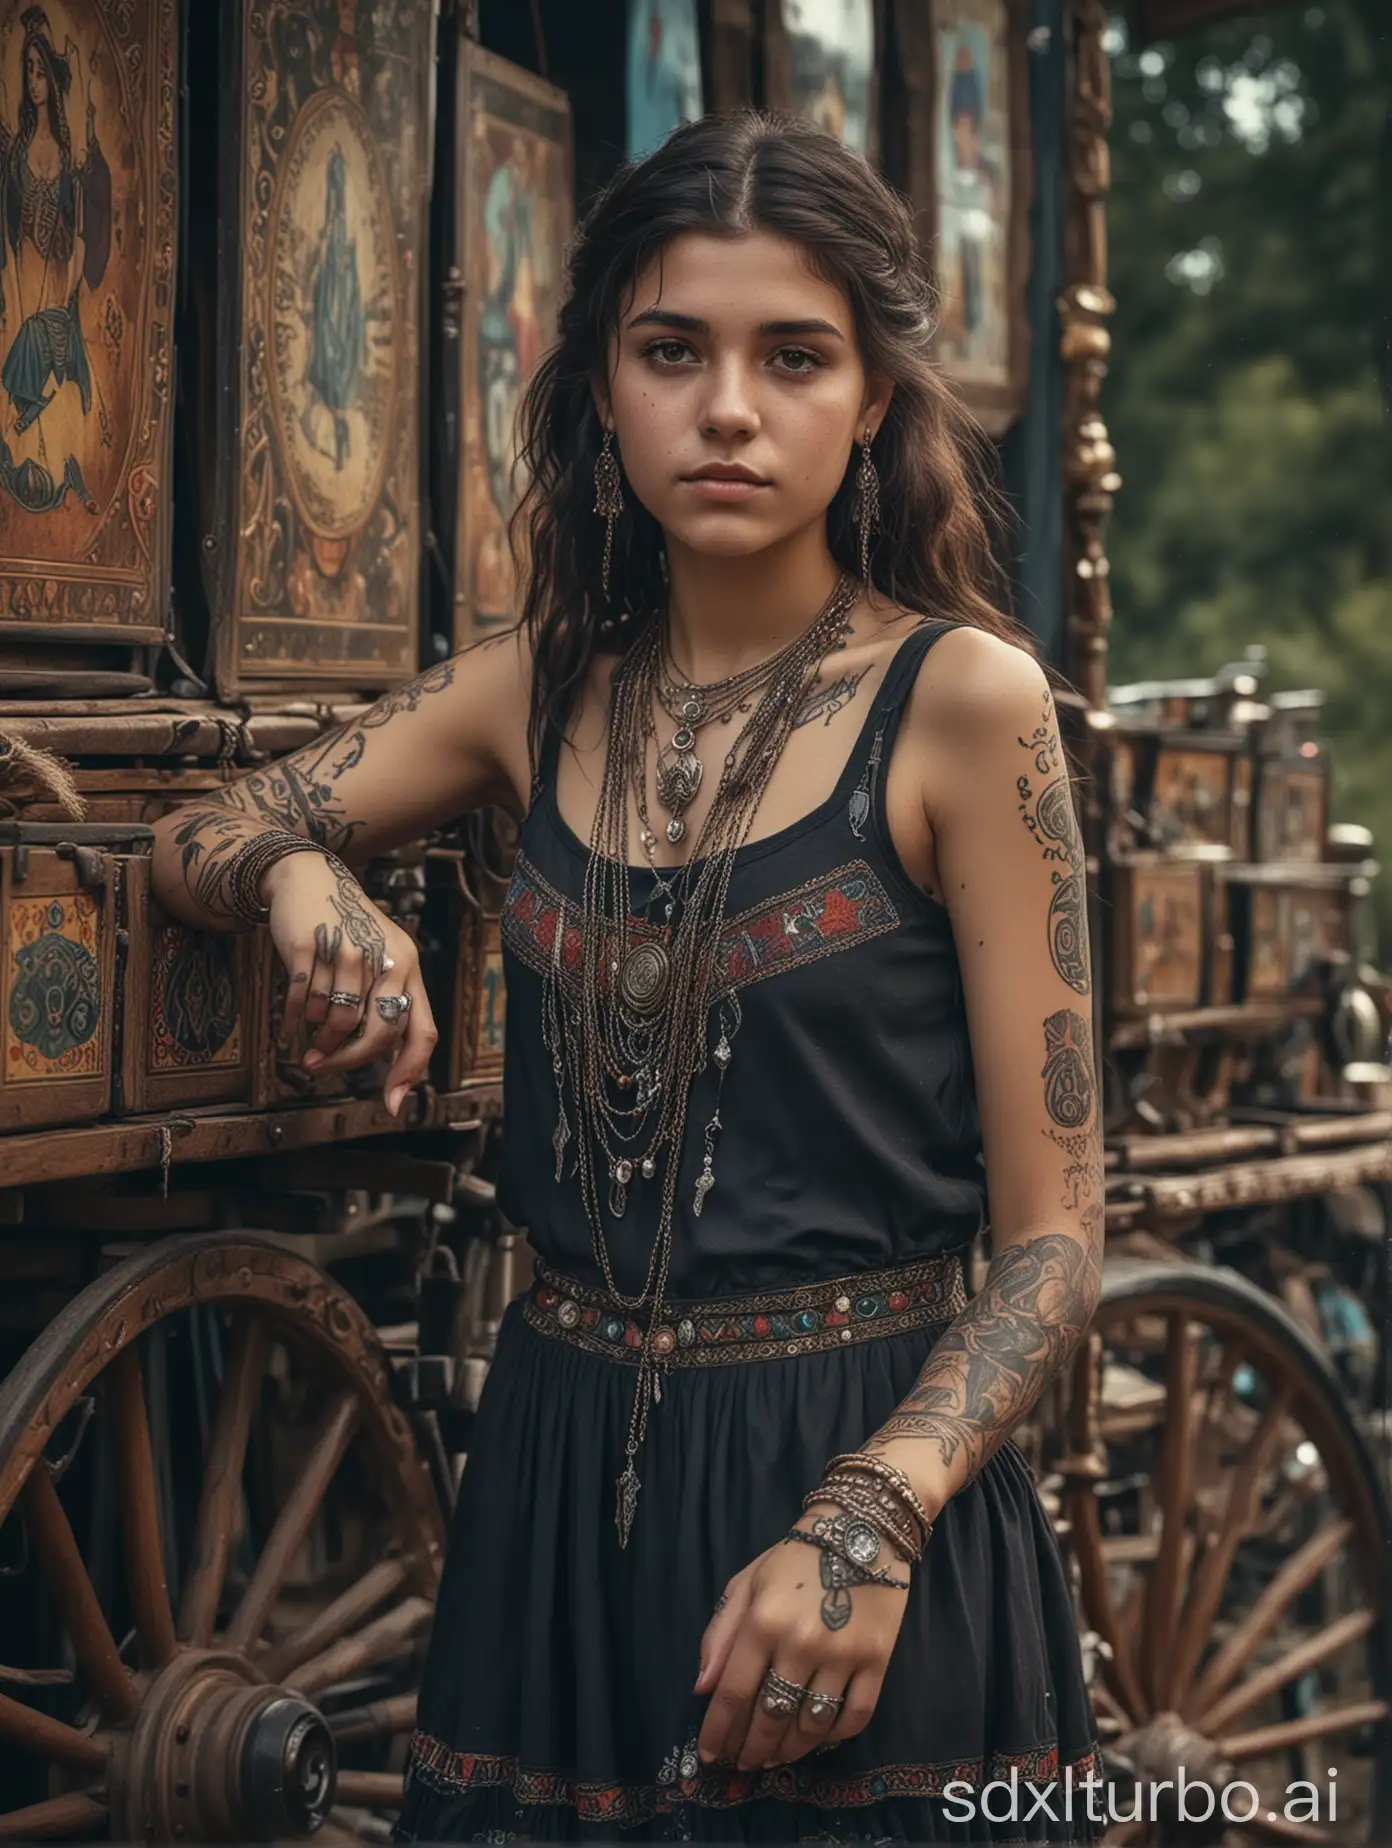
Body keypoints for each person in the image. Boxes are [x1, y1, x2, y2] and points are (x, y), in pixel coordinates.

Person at [151, 110, 1103, 1844]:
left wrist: (867, 1527)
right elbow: (203, 830)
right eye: (673, 351)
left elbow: (1055, 1241)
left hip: (857, 1486)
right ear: (602, 383)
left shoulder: (967, 707)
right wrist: (306, 877)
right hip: (553, 1484)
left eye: (793, 356)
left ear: (873, 397)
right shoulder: (542, 689)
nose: (728, 408)